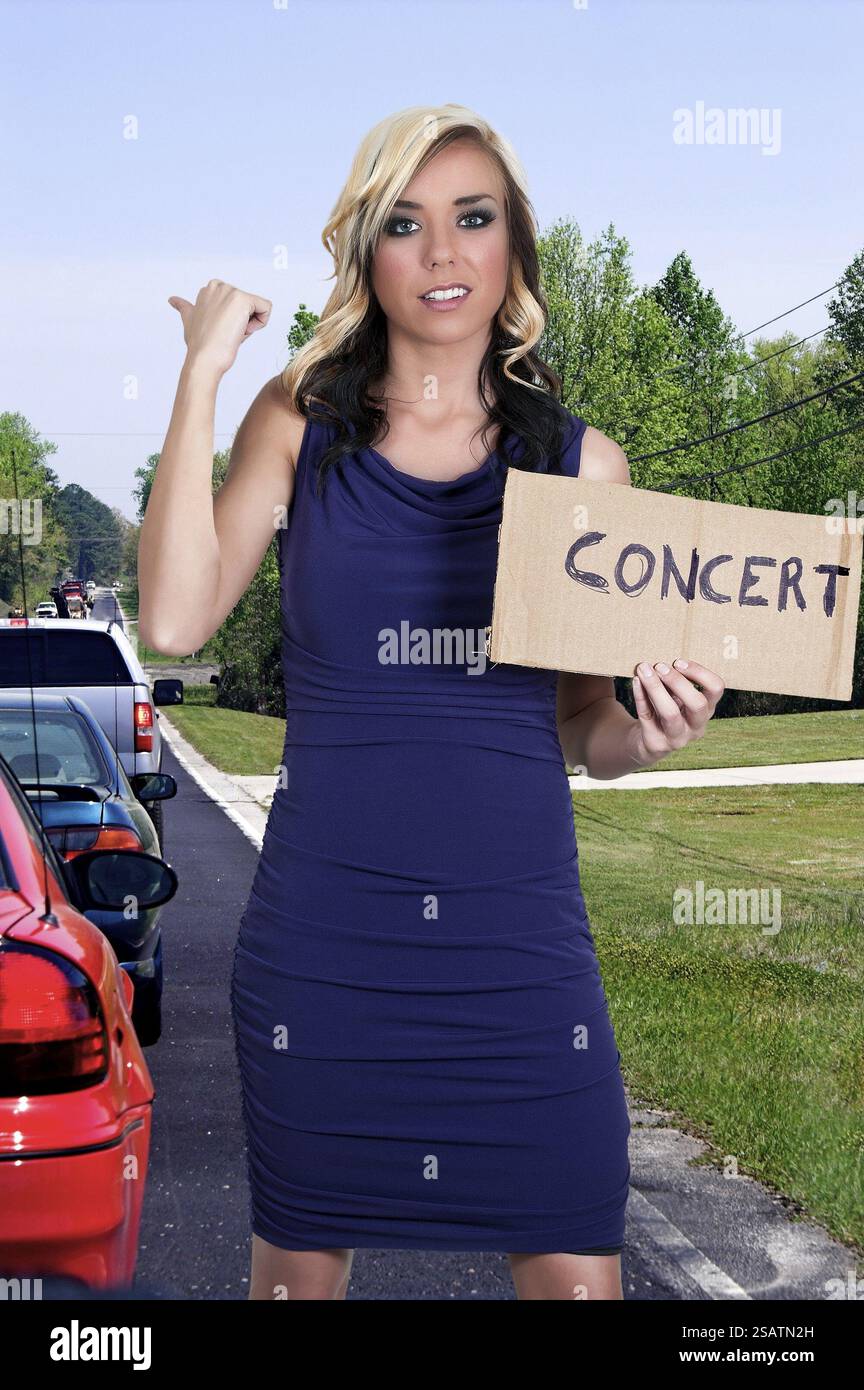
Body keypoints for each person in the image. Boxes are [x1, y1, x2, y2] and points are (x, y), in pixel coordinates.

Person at [139, 103, 724, 1302]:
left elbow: (581, 728)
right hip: (326, 955)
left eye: (474, 218)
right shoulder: (299, 426)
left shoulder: (583, 467)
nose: (444, 253)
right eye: (406, 225)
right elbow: (172, 621)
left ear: (513, 247)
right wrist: (202, 372)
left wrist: (653, 730)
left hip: (522, 962)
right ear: (367, 253)